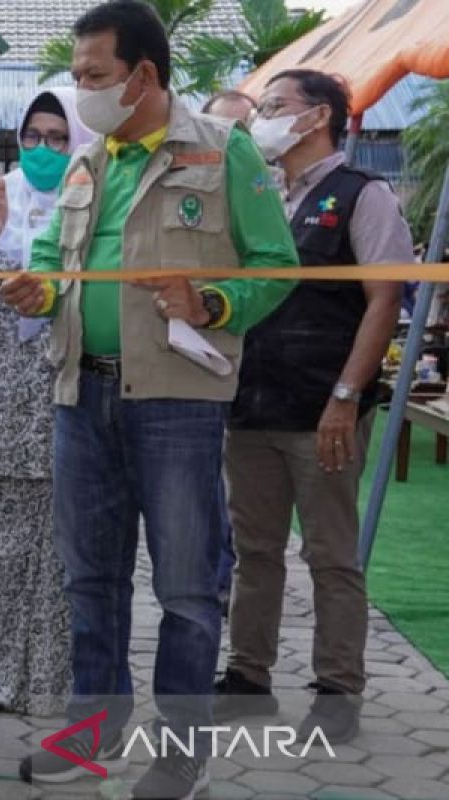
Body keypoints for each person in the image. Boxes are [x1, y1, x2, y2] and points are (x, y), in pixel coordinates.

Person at [0, 2, 298, 796]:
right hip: (79, 393)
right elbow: (48, 255)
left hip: (175, 403)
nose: (81, 91)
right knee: (89, 580)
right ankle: (92, 733)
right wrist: (33, 289)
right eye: (77, 76)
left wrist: (213, 302)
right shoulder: (89, 161)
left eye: (94, 76)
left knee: (188, 588)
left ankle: (180, 751)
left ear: (144, 76)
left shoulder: (224, 151)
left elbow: (278, 264)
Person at [216, 69, 412, 744]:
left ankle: (337, 690)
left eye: (274, 106)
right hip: (251, 402)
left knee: (331, 554)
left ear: (316, 116)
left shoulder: (363, 195)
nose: (262, 118)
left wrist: (346, 397)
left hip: (325, 407)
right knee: (255, 549)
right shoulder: (260, 192)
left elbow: (384, 301)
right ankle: (247, 677)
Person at [0, 87, 94, 717]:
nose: (44, 149)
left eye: (59, 138)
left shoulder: (97, 202)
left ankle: (51, 681)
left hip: (71, 393)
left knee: (62, 553)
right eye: (33, 136)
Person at [201, 88, 260, 618]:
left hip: (271, 386)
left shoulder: (267, 194)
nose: (234, 142)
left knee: (245, 509)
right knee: (211, 494)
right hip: (207, 368)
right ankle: (218, 583)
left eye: (244, 130)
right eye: (222, 130)